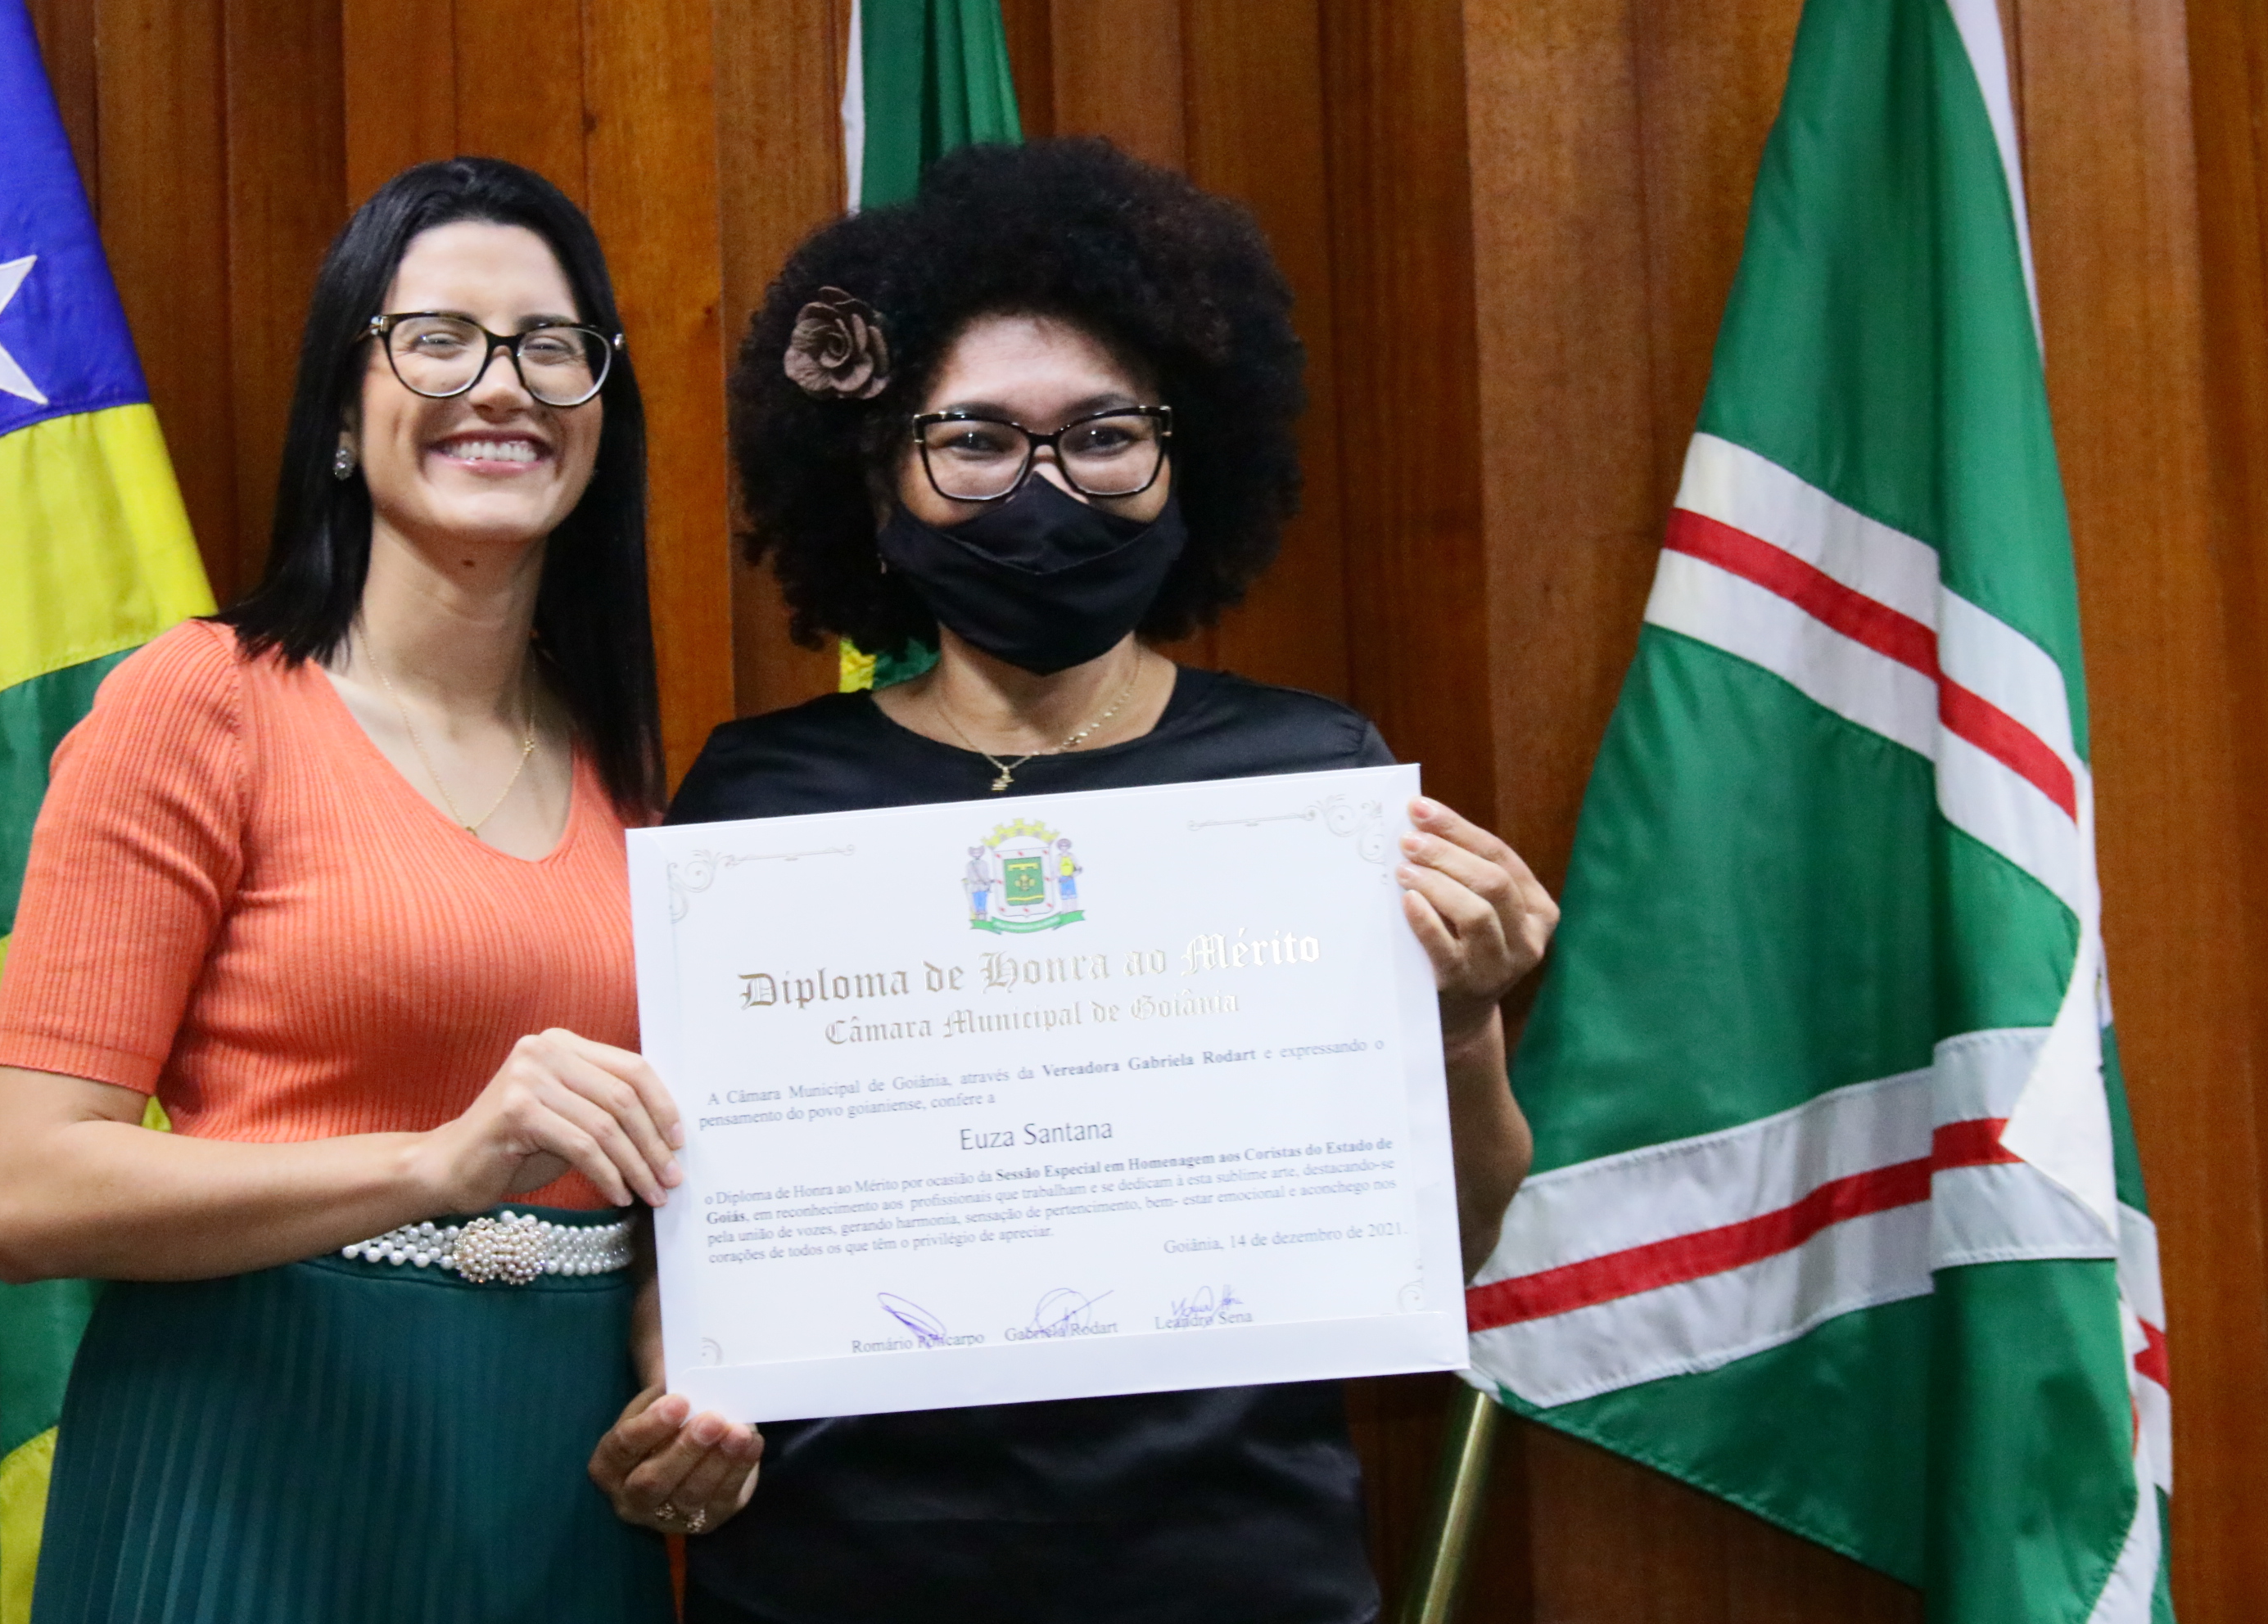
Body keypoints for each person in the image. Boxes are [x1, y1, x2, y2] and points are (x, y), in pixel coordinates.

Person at [588, 138, 1556, 1622]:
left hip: (1232, 1569)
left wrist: (1466, 1017)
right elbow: (704, 1221)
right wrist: (684, 1394)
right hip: (843, 1574)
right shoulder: (762, 802)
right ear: (879, 475)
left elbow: (1455, 1235)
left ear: (1187, 457)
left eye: (1104, 433)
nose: (1043, 489)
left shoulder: (1313, 784)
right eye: (975, 439)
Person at [0, 157, 743, 1624]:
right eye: (438, 340)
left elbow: (664, 1180)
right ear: (342, 406)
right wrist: (432, 1166)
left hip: (551, 1503)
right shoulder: (202, 704)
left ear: (603, 412)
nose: (502, 386)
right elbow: (31, 1191)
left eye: (552, 347)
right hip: (243, 1484)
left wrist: (678, 1365)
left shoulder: (633, 772)